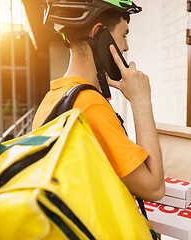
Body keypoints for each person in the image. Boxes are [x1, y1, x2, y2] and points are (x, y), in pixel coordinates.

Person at [32, 0, 165, 202]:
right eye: (124, 35)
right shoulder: (89, 104)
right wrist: (141, 101)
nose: (127, 47)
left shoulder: (53, 96)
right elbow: (154, 189)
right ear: (99, 35)